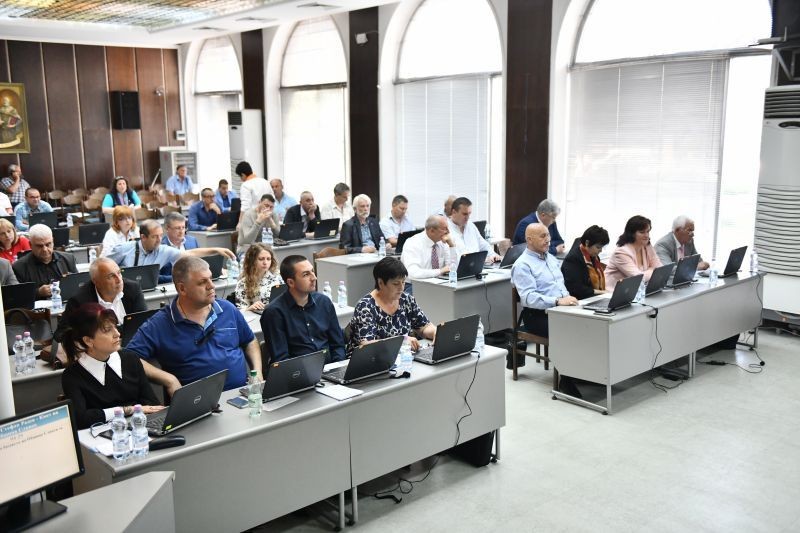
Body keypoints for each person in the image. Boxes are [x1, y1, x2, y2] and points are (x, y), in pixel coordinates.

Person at [127, 256, 262, 394]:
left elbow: (250, 341)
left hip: (242, 395)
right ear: (182, 289)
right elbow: (128, 358)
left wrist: (257, 373)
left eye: (211, 278)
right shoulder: (159, 324)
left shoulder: (227, 309)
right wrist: (169, 380)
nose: (211, 286)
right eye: (202, 282)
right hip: (199, 402)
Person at [60, 303, 163, 429]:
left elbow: (152, 404)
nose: (117, 334)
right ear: (88, 340)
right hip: (102, 435)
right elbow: (81, 419)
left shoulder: (130, 359)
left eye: (115, 327)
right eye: (108, 330)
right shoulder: (72, 376)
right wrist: (127, 410)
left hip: (139, 428)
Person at [511, 223, 579, 395]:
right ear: (529, 239)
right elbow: (528, 298)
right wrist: (557, 301)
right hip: (537, 316)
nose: (548, 239)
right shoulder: (523, 265)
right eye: (542, 236)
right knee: (568, 332)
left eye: (548, 235)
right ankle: (566, 380)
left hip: (560, 309)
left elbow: (560, 286)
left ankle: (584, 373)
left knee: (591, 325)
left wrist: (568, 300)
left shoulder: (551, 258)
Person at [261, 255, 346, 364]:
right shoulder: (274, 312)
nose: (314, 278)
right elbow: (282, 360)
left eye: (312, 271)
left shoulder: (324, 302)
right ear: (291, 282)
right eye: (306, 274)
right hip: (298, 372)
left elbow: (338, 345)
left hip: (330, 367)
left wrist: (338, 366)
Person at [346, 257, 435, 357]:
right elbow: (367, 345)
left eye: (403, 282)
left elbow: (424, 327)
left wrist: (435, 332)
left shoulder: (406, 299)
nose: (401, 288)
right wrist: (402, 341)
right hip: (368, 360)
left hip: (401, 357)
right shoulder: (366, 306)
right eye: (396, 283)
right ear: (380, 283)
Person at [55, 257, 147, 341]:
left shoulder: (133, 288)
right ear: (96, 282)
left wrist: (104, 332)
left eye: (119, 273)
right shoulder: (80, 301)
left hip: (132, 343)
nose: (119, 280)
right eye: (111, 276)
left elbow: (144, 321)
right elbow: (61, 334)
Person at [106, 219, 234, 278]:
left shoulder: (163, 250)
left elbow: (189, 254)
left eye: (160, 236)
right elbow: (104, 266)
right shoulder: (123, 249)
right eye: (154, 237)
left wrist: (215, 250)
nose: (159, 240)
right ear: (143, 237)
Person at [13, 224, 77, 298]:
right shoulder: (19, 267)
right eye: (39, 246)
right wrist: (38, 293)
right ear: (30, 245)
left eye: (48, 244)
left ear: (53, 241)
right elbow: (18, 295)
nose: (45, 249)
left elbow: (77, 284)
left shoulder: (68, 259)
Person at [604, 215, 663, 290]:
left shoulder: (647, 245)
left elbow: (661, 269)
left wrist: (652, 271)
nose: (646, 235)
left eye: (648, 231)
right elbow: (639, 278)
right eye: (642, 232)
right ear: (632, 233)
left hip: (637, 290)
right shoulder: (621, 252)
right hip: (613, 293)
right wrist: (653, 270)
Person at [561, 225, 610, 300]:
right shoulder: (573, 259)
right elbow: (576, 288)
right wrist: (600, 292)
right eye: (598, 247)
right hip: (578, 300)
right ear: (587, 243)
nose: (601, 250)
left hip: (592, 297)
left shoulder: (594, 257)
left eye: (602, 247)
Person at [400, 215, 456, 279]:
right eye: (444, 229)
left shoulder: (443, 241)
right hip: (416, 283)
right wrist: (440, 271)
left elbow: (453, 267)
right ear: (432, 231)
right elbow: (413, 273)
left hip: (440, 282)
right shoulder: (413, 243)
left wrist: (452, 246)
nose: (448, 232)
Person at [448, 197, 500, 262]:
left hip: (478, 265)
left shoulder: (470, 225)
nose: (468, 217)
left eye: (469, 213)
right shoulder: (446, 229)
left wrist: (492, 255)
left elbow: (483, 244)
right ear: (454, 212)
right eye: (464, 214)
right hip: (459, 267)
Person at [235, 243, 283, 312]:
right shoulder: (243, 283)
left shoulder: (278, 276)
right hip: (258, 315)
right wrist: (250, 308)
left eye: (268, 259)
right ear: (252, 260)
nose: (265, 262)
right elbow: (240, 311)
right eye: (261, 259)